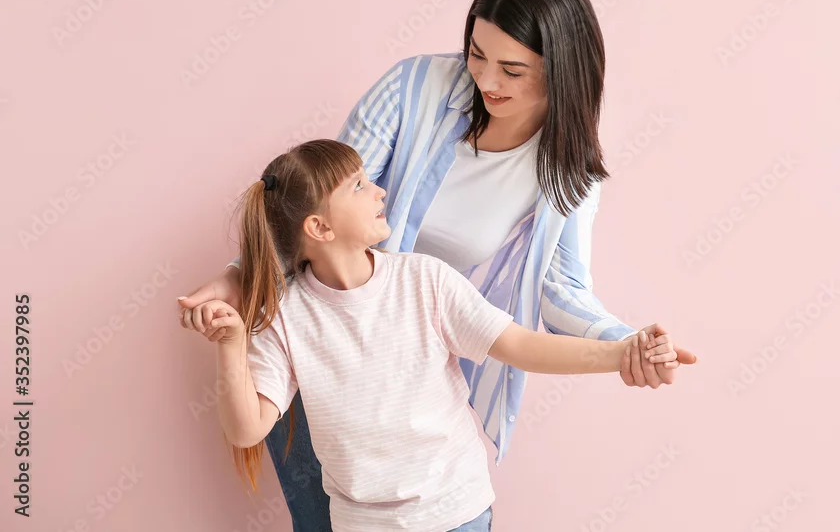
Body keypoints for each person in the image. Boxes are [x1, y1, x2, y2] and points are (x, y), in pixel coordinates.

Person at [178, 0, 696, 531]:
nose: (486, 80)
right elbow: (316, 200)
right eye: (476, 53)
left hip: (424, 388)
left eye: (512, 69)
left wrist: (626, 347)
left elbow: (553, 300)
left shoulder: (446, 269)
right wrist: (240, 276)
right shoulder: (413, 88)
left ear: (560, 70)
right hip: (327, 373)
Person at [179, 139, 681, 531]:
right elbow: (246, 430)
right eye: (358, 186)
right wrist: (231, 345)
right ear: (320, 228)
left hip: (457, 512)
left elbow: (521, 345)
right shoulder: (287, 317)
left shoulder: (425, 280)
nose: (379, 191)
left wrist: (621, 352)